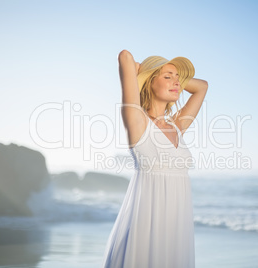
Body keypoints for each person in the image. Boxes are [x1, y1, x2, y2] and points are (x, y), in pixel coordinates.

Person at [102, 50, 208, 268]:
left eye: (178, 78)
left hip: (177, 222)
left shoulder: (177, 126)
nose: (177, 83)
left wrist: (172, 76)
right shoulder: (138, 121)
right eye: (167, 77)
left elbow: (202, 87)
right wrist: (142, 70)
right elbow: (125, 57)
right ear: (149, 82)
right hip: (148, 220)